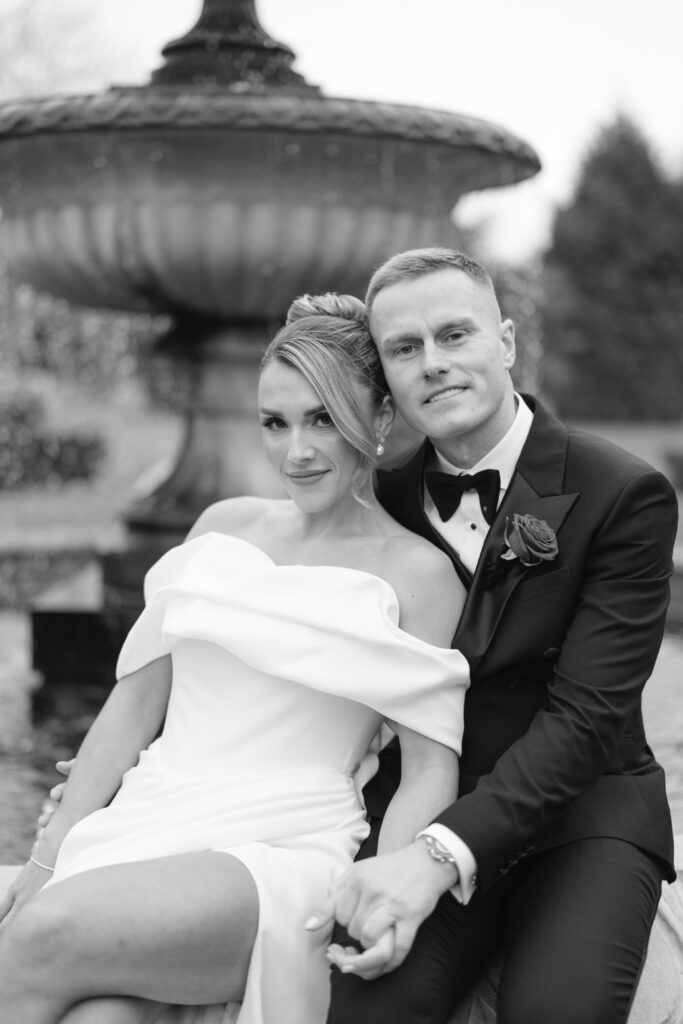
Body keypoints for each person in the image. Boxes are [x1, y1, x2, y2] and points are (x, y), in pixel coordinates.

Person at [0, 293, 471, 1024]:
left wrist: (387, 893)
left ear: (378, 420)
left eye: (323, 419)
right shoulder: (221, 526)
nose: (297, 451)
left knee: (46, 932)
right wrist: (44, 858)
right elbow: (133, 707)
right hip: (150, 817)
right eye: (275, 423)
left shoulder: (417, 574)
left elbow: (428, 768)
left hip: (279, 845)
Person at [310, 248, 679, 1024]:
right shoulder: (377, 499)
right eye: (404, 349)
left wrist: (436, 857)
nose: (433, 364)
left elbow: (585, 721)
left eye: (454, 335)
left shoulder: (623, 494)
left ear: (505, 342)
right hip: (419, 800)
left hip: (582, 817)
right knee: (367, 1007)